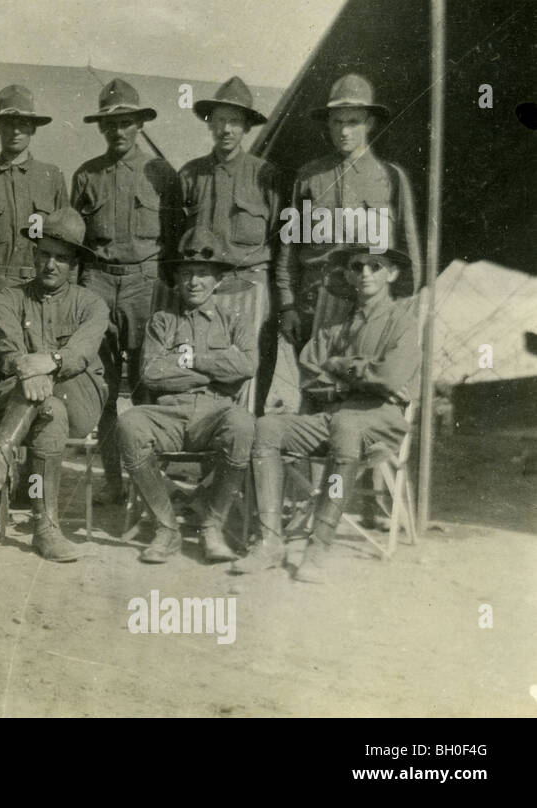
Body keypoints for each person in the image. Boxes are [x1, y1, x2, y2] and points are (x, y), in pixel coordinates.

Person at [236, 245, 419, 582]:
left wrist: (340, 365)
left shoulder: (402, 323)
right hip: (335, 415)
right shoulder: (336, 325)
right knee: (266, 428)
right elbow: (309, 372)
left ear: (391, 274)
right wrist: (346, 384)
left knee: (347, 428)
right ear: (348, 274)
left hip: (380, 420)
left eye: (375, 266)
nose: (365, 272)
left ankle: (319, 546)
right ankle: (269, 541)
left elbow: (391, 377)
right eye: (357, 265)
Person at [0, 209, 110, 562]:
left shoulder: (91, 304)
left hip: (80, 398)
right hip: (19, 394)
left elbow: (81, 352)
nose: (50, 264)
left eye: (61, 258)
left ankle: (0, 455)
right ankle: (45, 529)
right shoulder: (8, 298)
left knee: (56, 406)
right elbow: (10, 351)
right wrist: (28, 369)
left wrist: (52, 364)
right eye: (44, 253)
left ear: (74, 263)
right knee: (50, 411)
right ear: (33, 253)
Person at [72, 78, 184, 501]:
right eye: (109, 124)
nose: (117, 131)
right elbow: (78, 244)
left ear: (139, 124)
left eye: (126, 122)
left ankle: (147, 481)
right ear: (101, 128)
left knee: (147, 384)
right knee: (100, 384)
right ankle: (113, 480)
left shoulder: (161, 174)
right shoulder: (87, 174)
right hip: (98, 280)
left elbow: (174, 241)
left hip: (145, 284)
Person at [117, 230, 259, 564]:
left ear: (217, 280)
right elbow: (151, 372)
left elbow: (248, 365)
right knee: (129, 424)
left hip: (216, 412)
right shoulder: (161, 322)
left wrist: (191, 360)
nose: (194, 281)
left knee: (242, 425)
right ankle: (166, 528)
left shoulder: (235, 320)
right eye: (186, 273)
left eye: (203, 273)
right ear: (177, 280)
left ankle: (212, 524)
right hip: (169, 412)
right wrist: (219, 369)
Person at [273, 74, 423, 349]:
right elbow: (288, 249)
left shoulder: (390, 177)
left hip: (368, 305)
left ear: (370, 123)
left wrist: (399, 309)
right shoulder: (308, 177)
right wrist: (287, 306)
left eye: (353, 122)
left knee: (360, 386)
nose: (344, 131)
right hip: (314, 303)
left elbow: (409, 252)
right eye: (337, 122)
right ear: (328, 124)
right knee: (316, 385)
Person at [178, 76, 283, 412]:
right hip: (204, 294)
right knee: (202, 375)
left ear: (246, 128)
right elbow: (175, 241)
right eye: (219, 120)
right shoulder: (191, 174)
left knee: (247, 382)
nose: (225, 129)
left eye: (235, 121)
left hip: (249, 289)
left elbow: (282, 242)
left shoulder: (265, 175)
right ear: (210, 124)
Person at [0, 84, 68, 313]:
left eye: (22, 124)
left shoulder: (51, 176)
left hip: (41, 286)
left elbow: (67, 243)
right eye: (7, 124)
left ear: (33, 128)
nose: (15, 131)